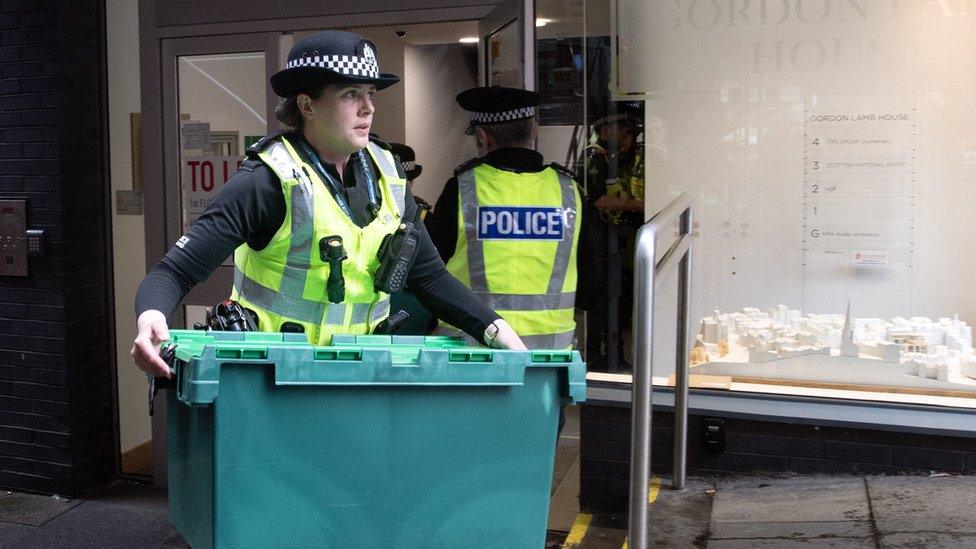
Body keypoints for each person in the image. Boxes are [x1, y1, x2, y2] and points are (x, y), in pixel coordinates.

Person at [131, 31, 525, 378]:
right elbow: (175, 271)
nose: (368, 107)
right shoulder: (266, 180)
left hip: (360, 376)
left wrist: (493, 328)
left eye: (369, 93)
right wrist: (151, 317)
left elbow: (429, 277)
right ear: (306, 106)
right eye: (350, 93)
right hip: (272, 381)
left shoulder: (388, 175)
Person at [425, 86, 589, 350]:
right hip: (548, 361)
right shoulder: (569, 192)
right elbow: (592, 291)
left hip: (472, 359)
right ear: (534, 129)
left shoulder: (462, 189)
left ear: (482, 136)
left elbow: (429, 276)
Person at [577, 104, 645, 371]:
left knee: (629, 301)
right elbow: (594, 200)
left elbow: (661, 199)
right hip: (603, 242)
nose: (605, 132)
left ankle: (624, 356)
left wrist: (625, 204)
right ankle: (596, 355)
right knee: (599, 300)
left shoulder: (644, 159)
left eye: (612, 127)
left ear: (628, 129)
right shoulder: (592, 159)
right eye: (602, 128)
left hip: (637, 243)